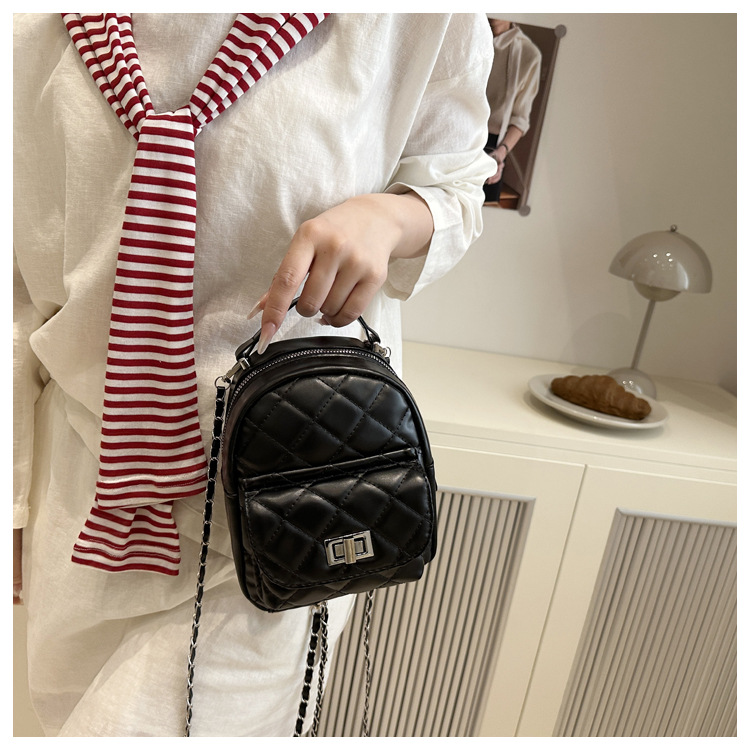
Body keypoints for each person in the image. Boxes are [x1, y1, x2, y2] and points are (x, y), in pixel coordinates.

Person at [13, 13, 495, 737]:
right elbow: (17, 295)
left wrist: (390, 219)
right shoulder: (27, 24)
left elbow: (457, 183)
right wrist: (14, 500)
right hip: (83, 500)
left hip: (283, 508)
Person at [483, 18, 542, 203]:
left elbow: (520, 118)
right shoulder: (465, 36)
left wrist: (500, 154)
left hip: (492, 146)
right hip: (452, 139)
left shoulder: (528, 54)